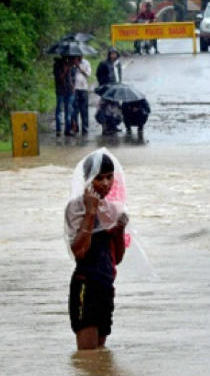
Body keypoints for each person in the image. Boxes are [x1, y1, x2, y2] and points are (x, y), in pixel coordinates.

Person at [64, 150, 129, 350]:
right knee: (87, 355)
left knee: (100, 355)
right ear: (87, 179)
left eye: (109, 177)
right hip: (86, 286)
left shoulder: (113, 210)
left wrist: (118, 231)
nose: (106, 183)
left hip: (105, 287)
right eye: (99, 178)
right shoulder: (76, 208)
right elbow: (80, 252)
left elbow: (116, 258)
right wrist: (91, 211)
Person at [53, 56, 76, 136]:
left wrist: (73, 87)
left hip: (69, 91)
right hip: (60, 91)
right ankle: (58, 130)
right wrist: (65, 71)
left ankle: (68, 129)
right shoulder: (57, 65)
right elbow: (59, 78)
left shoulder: (70, 64)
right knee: (59, 110)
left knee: (68, 110)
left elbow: (71, 78)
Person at [70, 55, 92, 135]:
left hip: (83, 88)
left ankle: (85, 128)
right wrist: (74, 66)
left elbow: (88, 75)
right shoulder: (72, 63)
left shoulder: (86, 63)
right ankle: (75, 128)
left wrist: (79, 67)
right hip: (74, 89)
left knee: (84, 110)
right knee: (74, 110)